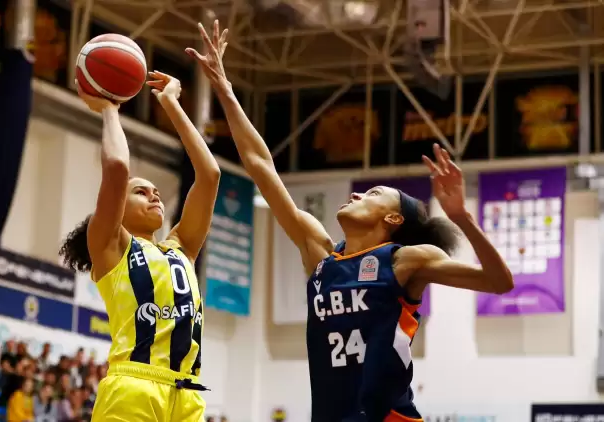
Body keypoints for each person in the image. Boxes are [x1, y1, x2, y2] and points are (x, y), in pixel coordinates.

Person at [190, 20, 514, 422]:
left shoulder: (406, 260)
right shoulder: (320, 254)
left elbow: (499, 283)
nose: (358, 194)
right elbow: (260, 164)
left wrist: (462, 217)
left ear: (393, 218)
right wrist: (224, 88)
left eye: (373, 194)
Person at [59, 70, 221, 422]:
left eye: (156, 192)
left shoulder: (181, 247)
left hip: (187, 393)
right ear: (119, 208)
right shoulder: (112, 247)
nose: (154, 196)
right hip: (134, 385)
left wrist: (172, 104)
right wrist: (109, 108)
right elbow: (117, 167)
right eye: (141, 192)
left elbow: (209, 175)